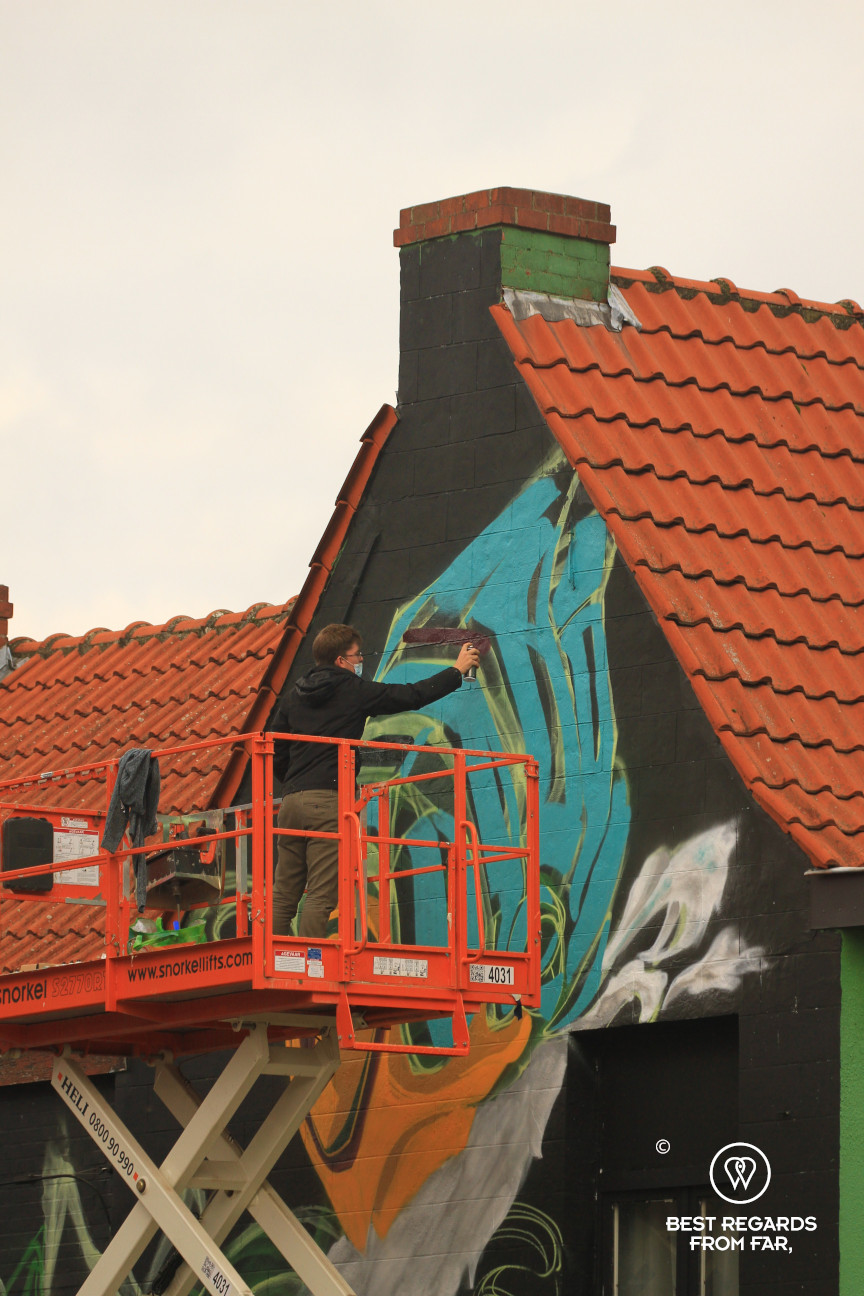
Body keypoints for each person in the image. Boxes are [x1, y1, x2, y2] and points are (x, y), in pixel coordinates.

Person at [270, 622, 480, 938]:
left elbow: (276, 747)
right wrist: (456, 671)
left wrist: (292, 783)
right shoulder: (351, 690)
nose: (360, 661)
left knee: (284, 894)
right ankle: (310, 967)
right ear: (341, 660)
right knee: (321, 894)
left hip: (291, 803)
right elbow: (410, 696)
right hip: (327, 802)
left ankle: (276, 960)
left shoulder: (293, 695)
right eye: (357, 656)